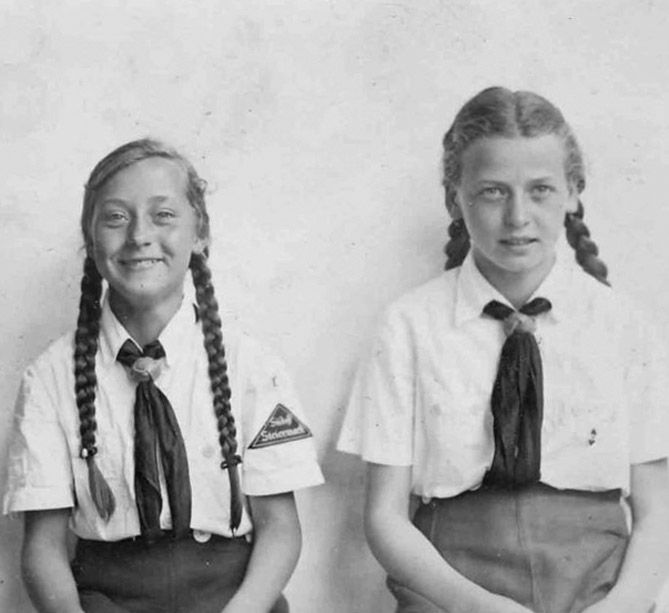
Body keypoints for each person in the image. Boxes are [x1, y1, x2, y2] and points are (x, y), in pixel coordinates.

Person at [337, 87, 669, 613]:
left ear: (574, 193)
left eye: (540, 190)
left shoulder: (623, 326)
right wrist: (477, 607)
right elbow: (384, 517)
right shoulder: (408, 326)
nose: (518, 217)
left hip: (598, 589)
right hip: (451, 589)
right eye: (493, 192)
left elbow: (658, 511)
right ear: (454, 198)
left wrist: (621, 607)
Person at [4, 138, 324, 613]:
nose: (139, 235)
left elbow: (280, 529)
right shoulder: (50, 377)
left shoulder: (253, 366)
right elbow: (43, 547)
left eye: (163, 215)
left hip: (235, 602)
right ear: (90, 239)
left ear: (200, 234)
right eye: (116, 217)